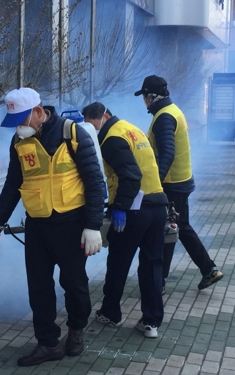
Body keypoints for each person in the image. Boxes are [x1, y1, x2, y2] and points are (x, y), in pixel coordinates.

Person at [0, 87, 105, 366]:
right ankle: (48, 343)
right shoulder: (18, 143)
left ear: (39, 113)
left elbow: (95, 182)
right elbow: (13, 185)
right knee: (38, 288)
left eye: (22, 120)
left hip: (71, 224)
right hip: (37, 225)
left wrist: (93, 225)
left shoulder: (72, 134)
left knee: (73, 283)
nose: (18, 128)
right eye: (14, 122)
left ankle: (76, 330)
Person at [82, 102, 169, 338]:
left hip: (133, 210)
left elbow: (131, 176)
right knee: (152, 265)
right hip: (158, 206)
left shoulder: (110, 138)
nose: (92, 131)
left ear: (104, 116)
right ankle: (151, 322)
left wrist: (119, 207)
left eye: (92, 125)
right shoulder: (132, 129)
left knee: (119, 262)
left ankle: (110, 313)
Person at [134, 75, 223, 293]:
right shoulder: (173, 110)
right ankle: (208, 269)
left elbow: (167, 153)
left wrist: (157, 180)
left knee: (168, 230)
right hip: (181, 180)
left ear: (152, 96)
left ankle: (160, 281)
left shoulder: (164, 117)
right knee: (180, 227)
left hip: (171, 184)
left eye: (145, 96)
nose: (144, 101)